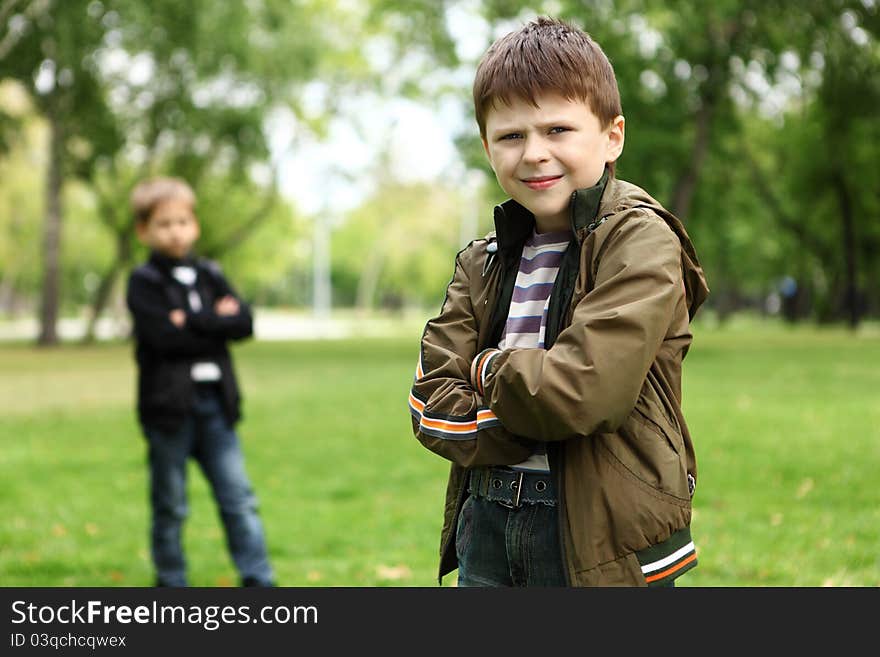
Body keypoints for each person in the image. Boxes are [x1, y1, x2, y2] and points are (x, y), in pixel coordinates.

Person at [408, 16, 710, 587]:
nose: (534, 154)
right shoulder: (483, 259)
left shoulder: (639, 239)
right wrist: (534, 410)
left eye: (558, 130)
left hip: (604, 534)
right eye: (512, 136)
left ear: (612, 135)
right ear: (487, 146)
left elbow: (584, 393)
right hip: (488, 521)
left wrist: (487, 367)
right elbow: (428, 402)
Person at [125, 177, 275, 587]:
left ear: (195, 225)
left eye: (182, 221)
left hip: (216, 407)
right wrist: (214, 321)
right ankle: (171, 583)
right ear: (144, 231)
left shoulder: (210, 273)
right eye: (164, 223)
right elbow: (162, 338)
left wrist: (190, 319)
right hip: (169, 410)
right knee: (171, 506)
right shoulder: (144, 282)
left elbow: (243, 323)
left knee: (239, 499)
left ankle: (260, 581)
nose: (175, 230)